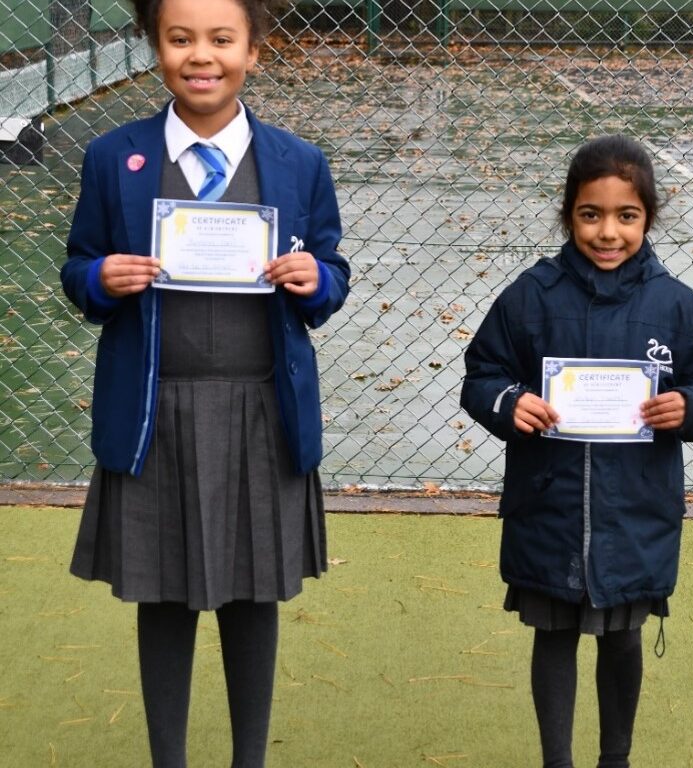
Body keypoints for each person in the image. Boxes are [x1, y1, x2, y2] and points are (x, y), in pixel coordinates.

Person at [60, 0, 350, 764]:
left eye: (221, 39)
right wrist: (99, 276)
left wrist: (314, 278)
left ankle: (247, 757)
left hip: (261, 407)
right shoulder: (111, 156)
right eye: (179, 38)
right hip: (157, 409)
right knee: (163, 595)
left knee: (254, 596)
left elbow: (332, 275)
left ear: (253, 51)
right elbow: (77, 266)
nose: (201, 55)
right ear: (155, 48)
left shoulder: (299, 162)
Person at [460, 134, 693, 768]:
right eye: (591, 214)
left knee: (622, 637)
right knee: (553, 637)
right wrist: (509, 403)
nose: (608, 232)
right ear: (568, 213)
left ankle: (616, 759)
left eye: (626, 216)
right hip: (547, 505)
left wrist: (690, 407)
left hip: (635, 511)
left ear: (648, 218)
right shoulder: (530, 296)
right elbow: (483, 375)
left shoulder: (679, 307)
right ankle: (558, 760)